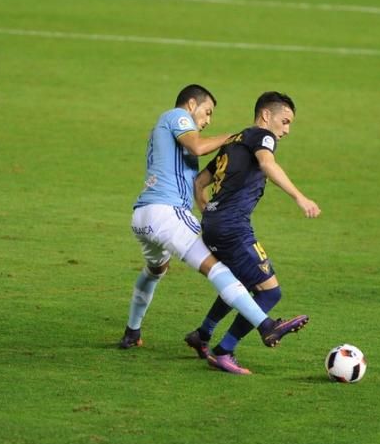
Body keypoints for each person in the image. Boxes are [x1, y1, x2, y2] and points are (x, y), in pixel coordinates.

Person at [123, 84, 310, 354]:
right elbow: (198, 148)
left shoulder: (162, 129)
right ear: (190, 105)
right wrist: (232, 137)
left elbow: (200, 181)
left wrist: (206, 208)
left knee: (154, 272)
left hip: (143, 217)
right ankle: (265, 326)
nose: (207, 120)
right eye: (206, 112)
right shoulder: (177, 117)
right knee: (219, 270)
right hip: (167, 213)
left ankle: (132, 331)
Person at [185, 92, 321, 375]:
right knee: (270, 293)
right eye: (284, 121)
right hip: (234, 227)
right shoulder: (262, 136)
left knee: (238, 283)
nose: (286, 130)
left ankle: (203, 334)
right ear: (265, 115)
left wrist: (207, 211)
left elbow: (199, 181)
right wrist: (300, 197)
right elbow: (267, 164)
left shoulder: (234, 140)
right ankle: (225, 351)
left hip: (214, 225)